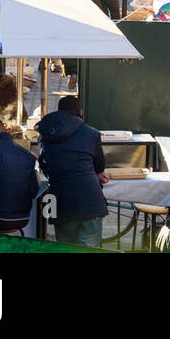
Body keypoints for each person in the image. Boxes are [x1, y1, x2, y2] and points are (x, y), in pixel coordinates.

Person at [37, 95, 108, 247]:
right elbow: (100, 169)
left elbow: (44, 164)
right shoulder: (92, 133)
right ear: (80, 112)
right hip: (90, 202)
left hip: (61, 201)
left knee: (65, 248)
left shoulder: (45, 132)